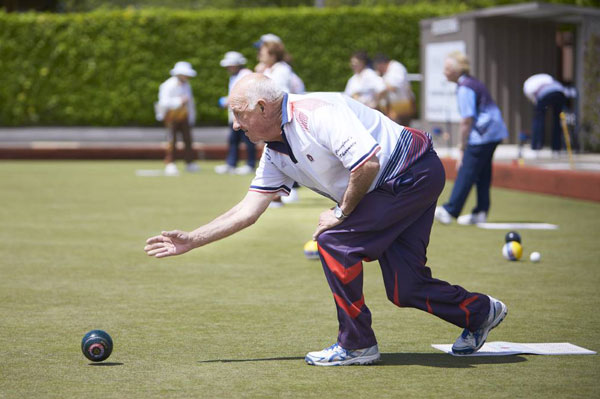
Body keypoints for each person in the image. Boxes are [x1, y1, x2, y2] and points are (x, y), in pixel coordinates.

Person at [144, 73, 508, 366]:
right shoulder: (275, 151)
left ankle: (357, 345)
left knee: (335, 241)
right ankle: (480, 312)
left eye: (240, 114)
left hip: (409, 172)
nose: (236, 125)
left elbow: (367, 163)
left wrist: (340, 212)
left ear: (261, 107)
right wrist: (192, 239)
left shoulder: (314, 112)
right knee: (404, 289)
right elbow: (248, 210)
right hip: (401, 182)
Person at [434, 51, 508, 226]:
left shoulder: (465, 87)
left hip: (483, 134)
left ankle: (450, 210)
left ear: (456, 70)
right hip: (494, 131)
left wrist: (461, 146)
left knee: (467, 169)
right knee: (482, 172)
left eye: (447, 68)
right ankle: (481, 211)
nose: (444, 72)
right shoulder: (472, 82)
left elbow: (467, 120)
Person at [155, 61, 199, 176]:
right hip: (171, 117)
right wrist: (179, 101)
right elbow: (163, 103)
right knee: (172, 140)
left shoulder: (187, 85)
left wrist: (191, 117)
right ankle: (170, 163)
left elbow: (190, 103)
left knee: (188, 139)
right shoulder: (167, 85)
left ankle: (189, 163)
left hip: (184, 116)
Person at [215, 51, 255, 175]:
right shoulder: (234, 76)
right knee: (233, 140)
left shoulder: (246, 74)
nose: (228, 68)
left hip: (245, 115)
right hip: (235, 115)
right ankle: (231, 164)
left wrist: (229, 100)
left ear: (237, 64)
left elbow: (247, 93)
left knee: (248, 140)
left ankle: (250, 164)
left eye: (230, 65)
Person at [523, 73, 568, 155]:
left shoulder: (527, 86)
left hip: (545, 94)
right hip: (560, 92)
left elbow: (535, 100)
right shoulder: (546, 77)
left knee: (538, 119)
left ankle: (535, 146)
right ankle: (556, 148)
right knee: (557, 120)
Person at [373, 53, 415, 126]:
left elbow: (393, 87)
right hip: (394, 108)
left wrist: (381, 80)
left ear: (381, 64)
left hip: (401, 107)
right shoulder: (388, 71)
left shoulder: (396, 68)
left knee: (403, 131)